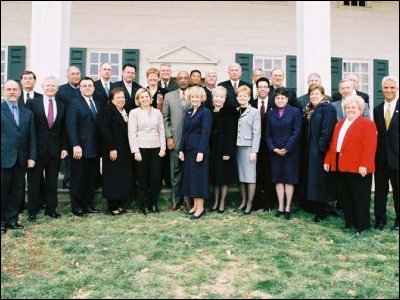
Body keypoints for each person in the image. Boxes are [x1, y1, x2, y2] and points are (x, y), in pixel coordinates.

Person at [324, 95, 377, 234]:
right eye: (348, 107)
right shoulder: (340, 123)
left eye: (353, 107)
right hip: (341, 166)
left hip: (358, 168)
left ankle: (363, 226)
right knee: (345, 197)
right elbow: (333, 144)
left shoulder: (367, 124)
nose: (350, 109)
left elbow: (370, 147)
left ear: (360, 109)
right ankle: (350, 223)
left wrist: (365, 164)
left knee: (360, 198)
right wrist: (328, 160)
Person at [26, 76, 67, 222]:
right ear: (42, 87)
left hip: (55, 150)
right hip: (36, 150)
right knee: (34, 181)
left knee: (52, 181)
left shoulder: (62, 105)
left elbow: (63, 129)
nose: (50, 88)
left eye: (53, 86)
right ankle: (32, 210)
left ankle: (51, 209)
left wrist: (64, 147)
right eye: (48, 85)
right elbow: (28, 128)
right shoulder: (32, 103)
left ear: (57, 88)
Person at [298, 84, 337, 222]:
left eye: (317, 94)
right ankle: (312, 205)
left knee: (320, 181)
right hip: (308, 149)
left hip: (319, 150)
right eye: (312, 94)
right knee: (311, 179)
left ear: (323, 95)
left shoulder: (328, 109)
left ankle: (322, 210)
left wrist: (320, 148)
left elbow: (327, 131)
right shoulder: (309, 109)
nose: (314, 96)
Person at [1, 80, 36, 233]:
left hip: (21, 159)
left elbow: (32, 138)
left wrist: (32, 157)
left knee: (17, 191)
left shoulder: (27, 113)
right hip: (3, 159)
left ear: (20, 92)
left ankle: (12, 220)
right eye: (9, 89)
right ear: (3, 92)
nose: (12, 92)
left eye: (15, 89)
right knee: (2, 191)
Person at [65, 77, 101, 216]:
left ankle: (88, 204)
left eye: (90, 85)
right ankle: (77, 206)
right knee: (77, 179)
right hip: (79, 149)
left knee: (91, 179)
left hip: (94, 149)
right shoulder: (74, 103)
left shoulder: (97, 103)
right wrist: (75, 145)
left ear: (93, 88)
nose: (87, 88)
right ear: (79, 88)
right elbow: (71, 126)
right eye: (84, 86)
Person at [266, 87, 302, 220]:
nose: (280, 100)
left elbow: (297, 131)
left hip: (290, 152)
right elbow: (267, 134)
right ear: (274, 99)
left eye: (282, 98)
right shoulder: (270, 114)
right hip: (275, 152)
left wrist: (287, 148)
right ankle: (280, 206)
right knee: (278, 179)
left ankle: (288, 207)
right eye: (277, 98)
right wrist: (273, 148)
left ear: (287, 99)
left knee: (289, 180)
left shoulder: (295, 112)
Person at [129, 88, 166, 214]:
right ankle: (144, 204)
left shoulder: (157, 112)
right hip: (141, 149)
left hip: (156, 149)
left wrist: (163, 148)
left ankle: (153, 203)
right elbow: (132, 133)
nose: (145, 99)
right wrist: (135, 151)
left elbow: (161, 131)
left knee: (155, 178)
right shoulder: (134, 113)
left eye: (147, 96)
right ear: (138, 100)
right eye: (142, 97)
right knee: (142, 178)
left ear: (151, 99)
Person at [179, 86, 212, 219]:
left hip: (198, 151)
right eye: (192, 97)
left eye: (197, 97)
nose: (195, 99)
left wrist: (201, 151)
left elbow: (205, 133)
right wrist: (181, 149)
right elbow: (184, 132)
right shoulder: (188, 112)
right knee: (192, 179)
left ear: (202, 98)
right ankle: (195, 206)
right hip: (188, 151)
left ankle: (200, 208)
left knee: (199, 179)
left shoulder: (206, 112)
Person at [100, 87, 133, 216]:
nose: (121, 100)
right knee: (112, 178)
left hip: (124, 150)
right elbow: (105, 131)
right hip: (113, 150)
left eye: (122, 97)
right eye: (118, 97)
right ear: (112, 99)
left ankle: (119, 204)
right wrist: (111, 148)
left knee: (122, 177)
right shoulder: (107, 111)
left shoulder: (125, 111)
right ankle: (112, 205)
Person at [162, 71, 192, 211]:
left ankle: (188, 201)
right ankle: (176, 201)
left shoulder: (196, 94)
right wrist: (168, 137)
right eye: (180, 78)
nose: (183, 80)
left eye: (186, 78)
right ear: (177, 80)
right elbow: (165, 118)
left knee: (189, 172)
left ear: (189, 79)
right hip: (174, 140)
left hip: (191, 142)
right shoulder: (169, 96)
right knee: (175, 173)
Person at [374, 76, 399, 231]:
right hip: (381, 158)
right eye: (386, 88)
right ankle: (380, 220)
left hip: (397, 158)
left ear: (397, 89)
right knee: (380, 192)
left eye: (392, 87)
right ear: (382, 89)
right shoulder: (377, 109)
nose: (389, 90)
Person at [209, 86, 238, 213]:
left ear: (225, 98)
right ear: (212, 97)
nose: (219, 99)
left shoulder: (230, 112)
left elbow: (232, 134)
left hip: (224, 149)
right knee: (215, 178)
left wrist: (228, 151)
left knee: (223, 178)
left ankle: (222, 202)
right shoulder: (208, 111)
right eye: (216, 96)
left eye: (222, 97)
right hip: (212, 150)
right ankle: (215, 201)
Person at [250, 77, 276, 211]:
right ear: (257, 88)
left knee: (269, 173)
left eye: (265, 86)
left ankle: (269, 202)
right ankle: (257, 201)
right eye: (260, 86)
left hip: (271, 144)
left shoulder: (275, 103)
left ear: (269, 88)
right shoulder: (251, 103)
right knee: (256, 173)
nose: (263, 89)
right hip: (254, 145)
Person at [236, 85, 261, 214]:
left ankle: (250, 203)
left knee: (250, 177)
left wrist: (254, 151)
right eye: (240, 96)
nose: (242, 98)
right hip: (237, 147)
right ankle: (243, 201)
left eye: (244, 96)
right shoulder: (236, 110)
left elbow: (257, 132)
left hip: (249, 148)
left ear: (249, 97)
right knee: (241, 176)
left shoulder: (254, 112)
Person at [56, 65, 82, 189]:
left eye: (77, 73)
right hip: (66, 128)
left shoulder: (83, 89)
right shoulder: (61, 91)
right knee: (69, 158)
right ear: (67, 76)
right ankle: (68, 181)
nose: (76, 76)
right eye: (73, 74)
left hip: (83, 129)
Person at [146, 67, 170, 187]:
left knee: (162, 155)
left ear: (158, 77)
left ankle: (162, 180)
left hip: (160, 126)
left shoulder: (164, 92)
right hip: (146, 129)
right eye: (151, 76)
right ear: (147, 78)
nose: (153, 78)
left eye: (155, 76)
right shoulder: (143, 91)